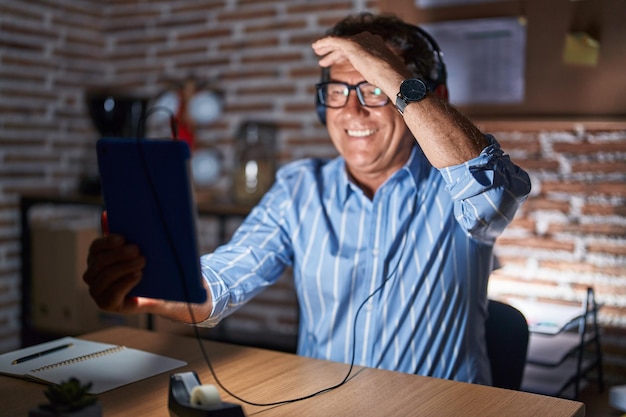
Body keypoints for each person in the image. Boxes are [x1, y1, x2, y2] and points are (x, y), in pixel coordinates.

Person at [83, 12, 531, 385]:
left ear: (430, 98)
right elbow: (226, 279)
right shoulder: (301, 187)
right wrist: (158, 288)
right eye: (337, 91)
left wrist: (391, 71)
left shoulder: (454, 188)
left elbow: (494, 197)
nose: (352, 112)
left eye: (374, 89)